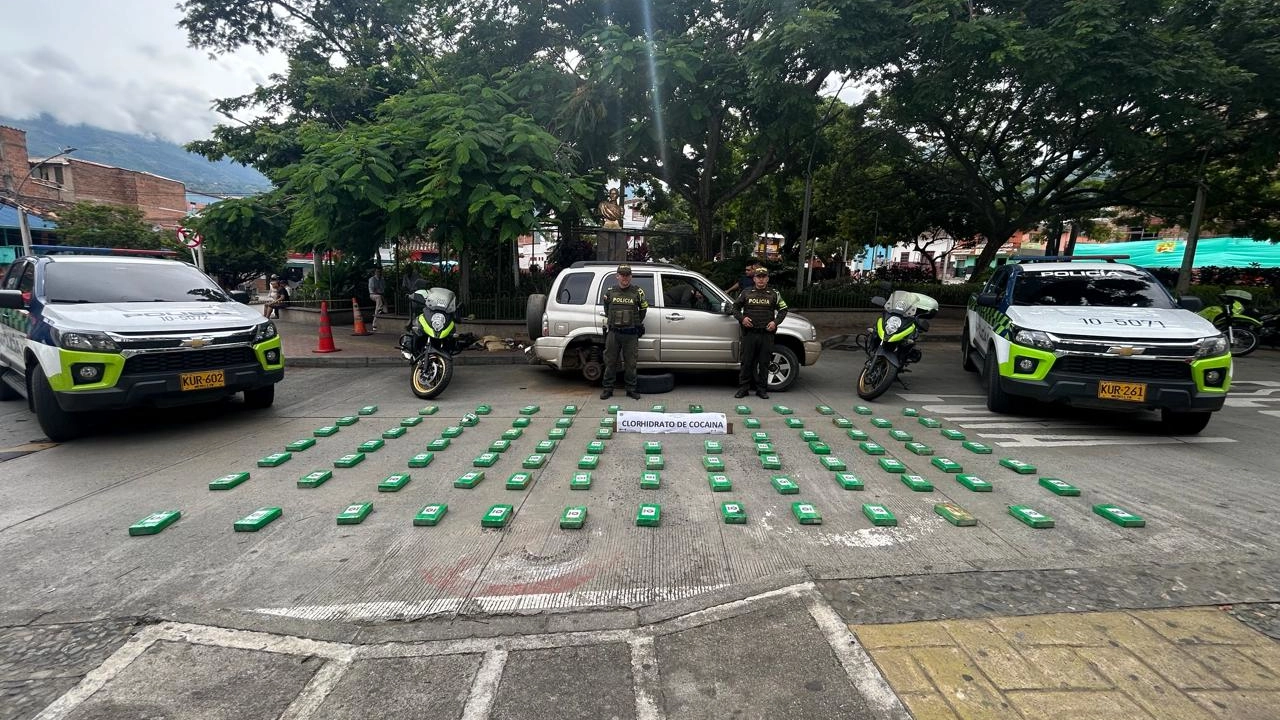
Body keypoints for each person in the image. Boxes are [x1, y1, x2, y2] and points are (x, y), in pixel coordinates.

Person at [732, 266, 788, 399]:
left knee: (764, 363)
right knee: (747, 362)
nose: (761, 280)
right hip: (749, 334)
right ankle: (743, 388)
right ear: (754, 278)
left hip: (766, 334)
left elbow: (783, 309)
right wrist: (742, 318)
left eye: (764, 277)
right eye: (758, 277)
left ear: (767, 279)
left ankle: (761, 389)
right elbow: (735, 307)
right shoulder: (746, 292)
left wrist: (775, 322)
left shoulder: (774, 294)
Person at [600, 264, 648, 400]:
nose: (625, 278)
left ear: (631, 277)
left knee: (631, 363)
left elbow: (643, 309)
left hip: (631, 333)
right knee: (610, 361)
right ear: (617, 276)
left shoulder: (638, 292)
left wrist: (635, 323)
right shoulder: (610, 292)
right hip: (614, 333)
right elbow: (606, 309)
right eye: (622, 275)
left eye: (627, 275)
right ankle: (608, 389)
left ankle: (631, 389)